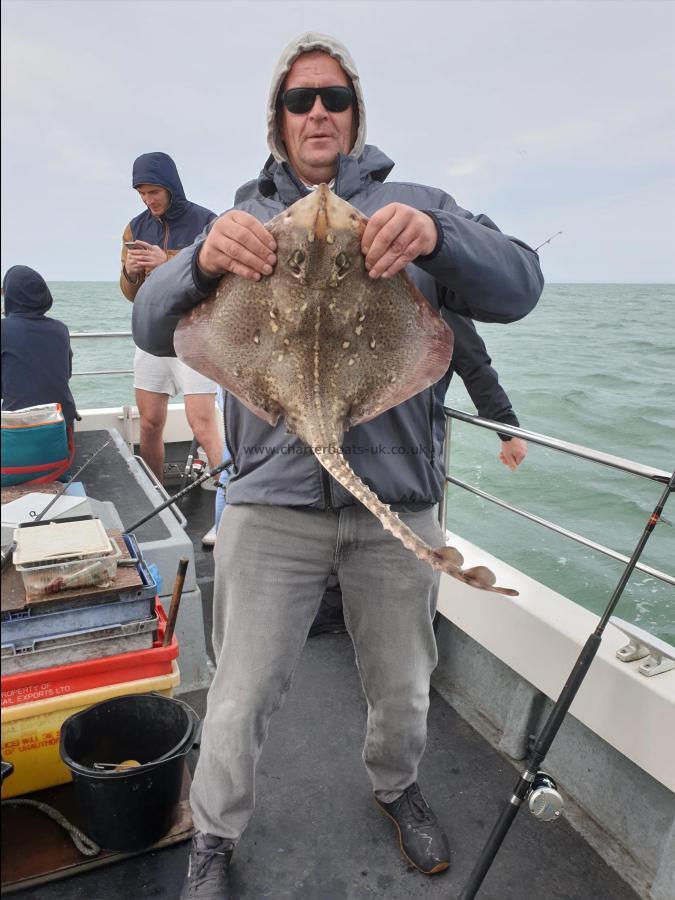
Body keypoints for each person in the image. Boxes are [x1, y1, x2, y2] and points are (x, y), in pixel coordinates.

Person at [132, 33, 544, 898]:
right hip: (270, 505)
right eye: (297, 99)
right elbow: (152, 325)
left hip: (394, 498)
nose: (316, 111)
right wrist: (199, 261)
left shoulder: (418, 205)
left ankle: (396, 787)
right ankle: (213, 832)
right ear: (277, 121)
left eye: (333, 98)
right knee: (240, 693)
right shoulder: (234, 224)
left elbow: (518, 286)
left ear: (355, 116)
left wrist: (436, 238)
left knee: (402, 686)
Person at [308, 312, 527, 637]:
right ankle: (334, 606)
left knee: (395, 609)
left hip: (403, 470)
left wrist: (506, 428)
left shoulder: (436, 291)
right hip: (326, 472)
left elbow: (473, 363)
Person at [120, 151, 224, 544]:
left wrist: (167, 260)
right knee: (149, 424)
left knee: (203, 423)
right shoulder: (134, 228)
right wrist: (130, 275)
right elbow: (131, 294)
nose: (149, 200)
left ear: (171, 186)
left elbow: (218, 279)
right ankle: (157, 504)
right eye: (142, 193)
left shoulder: (207, 221)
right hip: (151, 337)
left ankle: (227, 513)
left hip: (195, 333)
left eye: (154, 191)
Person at [1, 265, 76, 428]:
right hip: (61, 427)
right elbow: (67, 373)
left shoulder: (3, 329)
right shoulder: (61, 329)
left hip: (17, 431)